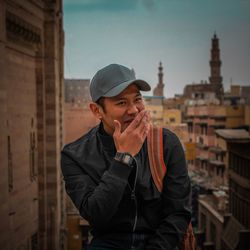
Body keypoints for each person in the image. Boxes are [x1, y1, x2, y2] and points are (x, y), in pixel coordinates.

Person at [61, 64, 191, 250]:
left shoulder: (166, 143)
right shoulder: (75, 155)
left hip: (160, 242)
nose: (134, 110)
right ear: (97, 111)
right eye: (121, 102)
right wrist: (123, 158)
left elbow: (178, 213)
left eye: (137, 99)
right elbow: (95, 213)